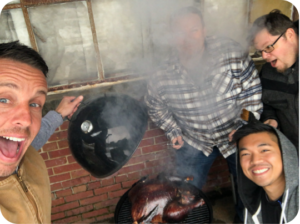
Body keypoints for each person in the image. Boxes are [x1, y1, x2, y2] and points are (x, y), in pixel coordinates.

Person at [144, 6, 262, 223]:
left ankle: (245, 219)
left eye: (194, 30)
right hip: (194, 140)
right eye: (179, 32)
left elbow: (252, 94)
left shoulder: (231, 54)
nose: (187, 38)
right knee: (184, 192)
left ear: (204, 30)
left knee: (248, 186)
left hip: (236, 134)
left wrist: (243, 125)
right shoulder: (161, 73)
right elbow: (155, 106)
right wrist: (172, 129)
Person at [0, 41, 50, 223]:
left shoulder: (29, 155)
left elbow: (41, 132)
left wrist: (59, 114)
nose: (27, 120)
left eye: (35, 104)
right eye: (3, 99)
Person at [248, 9, 300, 156]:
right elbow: (267, 104)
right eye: (260, 51)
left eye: (269, 47)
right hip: (291, 155)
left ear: (289, 35)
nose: (264, 56)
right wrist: (271, 119)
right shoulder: (268, 72)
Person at [232, 122, 300, 224]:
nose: (255, 160)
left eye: (264, 150)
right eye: (245, 154)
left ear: (286, 153)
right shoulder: (253, 206)